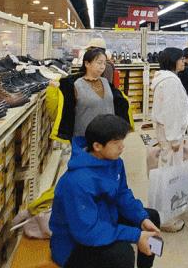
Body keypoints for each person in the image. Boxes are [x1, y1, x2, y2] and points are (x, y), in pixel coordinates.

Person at [50, 114, 161, 268]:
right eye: (116, 143)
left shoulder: (115, 162)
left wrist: (141, 218)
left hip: (105, 218)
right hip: (75, 244)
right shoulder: (77, 181)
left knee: (151, 217)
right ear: (97, 146)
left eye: (122, 141)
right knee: (123, 254)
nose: (122, 147)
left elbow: (122, 194)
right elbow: (87, 231)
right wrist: (135, 235)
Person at [151, 47, 188, 232]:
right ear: (172, 60)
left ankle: (164, 212)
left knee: (166, 171)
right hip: (170, 136)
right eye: (180, 59)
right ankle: (166, 218)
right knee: (170, 175)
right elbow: (171, 112)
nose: (183, 61)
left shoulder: (165, 79)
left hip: (165, 133)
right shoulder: (171, 82)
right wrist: (175, 139)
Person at [53, 47, 130, 141]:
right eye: (99, 63)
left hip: (108, 136)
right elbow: (65, 111)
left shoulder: (106, 82)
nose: (102, 66)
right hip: (84, 137)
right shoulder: (75, 85)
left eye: (104, 63)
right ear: (87, 64)